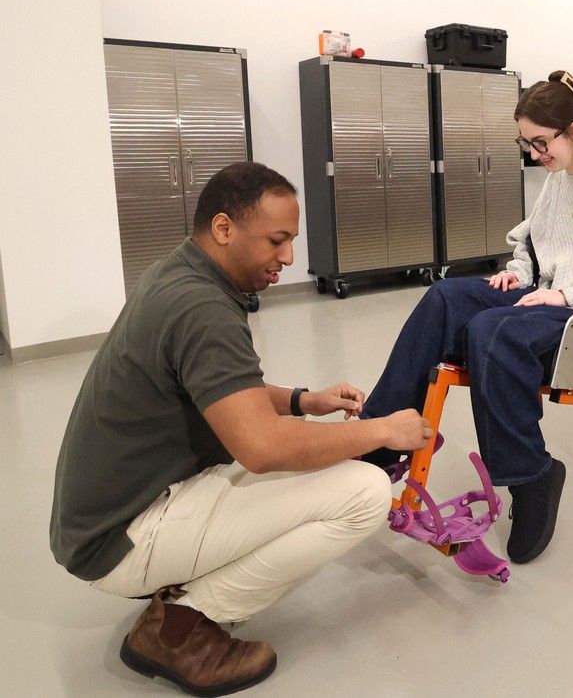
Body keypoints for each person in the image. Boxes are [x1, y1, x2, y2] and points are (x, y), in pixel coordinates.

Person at [50, 162, 433, 696]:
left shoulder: (176, 272)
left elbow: (224, 395)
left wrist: (303, 401)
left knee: (305, 464)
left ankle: (178, 599)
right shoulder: (200, 306)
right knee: (363, 493)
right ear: (225, 228)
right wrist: (384, 432)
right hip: (119, 541)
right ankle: (182, 629)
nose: (289, 258)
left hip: (102, 520)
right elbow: (261, 446)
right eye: (277, 240)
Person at [360, 70, 573, 564]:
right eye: (526, 144)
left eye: (541, 142)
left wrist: (564, 294)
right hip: (544, 295)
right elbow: (532, 240)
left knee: (489, 330)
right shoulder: (559, 179)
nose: (534, 155)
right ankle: (379, 437)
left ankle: (532, 475)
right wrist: (516, 272)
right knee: (445, 298)